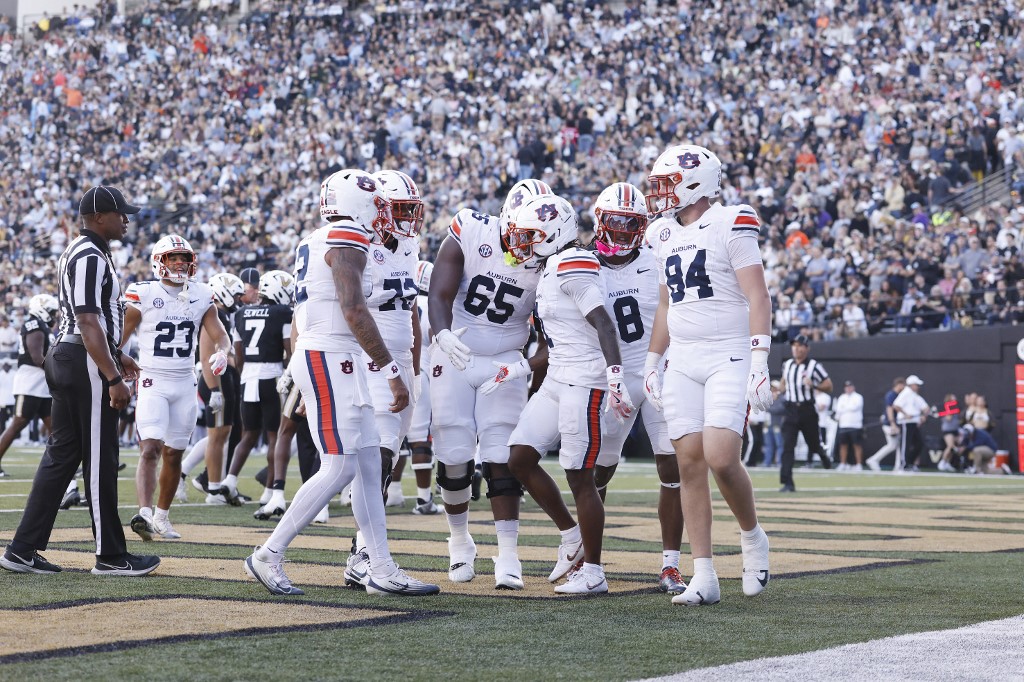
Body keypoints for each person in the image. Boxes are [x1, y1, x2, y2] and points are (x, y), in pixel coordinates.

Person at [244, 168, 438, 597]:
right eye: (377, 204)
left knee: (370, 466)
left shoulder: (321, 237)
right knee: (341, 464)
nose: (384, 213)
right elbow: (353, 309)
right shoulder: (346, 235)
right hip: (331, 354)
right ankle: (268, 554)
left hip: (336, 355)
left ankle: (381, 567)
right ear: (356, 204)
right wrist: (390, 369)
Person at [1, 185, 159, 576]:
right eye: (121, 213)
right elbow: (87, 320)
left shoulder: (83, 250)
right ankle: (110, 555)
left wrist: (116, 353)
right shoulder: (90, 254)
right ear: (99, 217)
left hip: (73, 354)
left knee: (61, 456)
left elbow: (85, 319)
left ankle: (21, 549)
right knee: (101, 457)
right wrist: (111, 376)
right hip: (82, 359)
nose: (126, 220)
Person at [644, 144, 772, 606]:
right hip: (684, 356)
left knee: (720, 455)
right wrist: (651, 362)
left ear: (695, 182)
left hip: (728, 352)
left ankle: (752, 536)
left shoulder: (730, 221)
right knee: (689, 462)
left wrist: (760, 360)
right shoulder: (661, 234)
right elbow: (665, 304)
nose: (659, 194)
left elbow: (758, 296)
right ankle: (704, 574)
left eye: (666, 183)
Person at [500, 193, 632, 595]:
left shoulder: (574, 262)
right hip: (558, 376)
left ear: (552, 233)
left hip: (585, 381)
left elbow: (604, 325)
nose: (522, 243)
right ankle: (572, 537)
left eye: (530, 235)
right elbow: (557, 343)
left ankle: (593, 570)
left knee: (580, 477)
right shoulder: (554, 263)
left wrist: (614, 378)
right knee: (519, 457)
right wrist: (519, 368)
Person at [427, 179, 549, 589]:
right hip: (456, 349)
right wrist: (441, 333)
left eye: (537, 234)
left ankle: (508, 553)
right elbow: (440, 292)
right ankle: (459, 541)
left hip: (506, 358)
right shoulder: (471, 229)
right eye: (522, 231)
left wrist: (529, 372)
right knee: (454, 449)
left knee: (501, 450)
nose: (528, 243)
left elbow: (552, 330)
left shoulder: (548, 257)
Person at [582, 182, 686, 594]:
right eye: (617, 222)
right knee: (599, 468)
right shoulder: (582, 262)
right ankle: (588, 559)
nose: (624, 231)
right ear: (600, 221)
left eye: (632, 224)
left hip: (659, 367)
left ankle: (671, 565)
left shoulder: (658, 254)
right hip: (613, 375)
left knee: (672, 467)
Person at [120, 235, 230, 541]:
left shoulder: (201, 294)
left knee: (174, 454)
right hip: (152, 378)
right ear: (160, 261)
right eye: (173, 257)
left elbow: (219, 335)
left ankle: (162, 517)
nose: (180, 263)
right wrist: (117, 363)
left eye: (184, 257)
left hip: (184, 380)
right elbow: (121, 336)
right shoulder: (143, 293)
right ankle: (143, 513)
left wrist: (222, 352)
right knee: (151, 447)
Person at [223, 270, 294, 501]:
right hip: (272, 377)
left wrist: (246, 374)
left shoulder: (241, 313)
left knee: (248, 434)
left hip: (248, 378)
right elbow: (288, 349)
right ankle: (270, 491)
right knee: (275, 436)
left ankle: (230, 480)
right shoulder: (282, 312)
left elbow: (239, 353)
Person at [178, 272, 246, 505]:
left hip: (219, 378)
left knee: (222, 434)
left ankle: (190, 474)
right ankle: (214, 489)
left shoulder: (223, 314)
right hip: (214, 379)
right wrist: (215, 390)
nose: (238, 300)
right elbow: (208, 355)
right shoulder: (214, 313)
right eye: (235, 295)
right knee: (217, 435)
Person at [0, 294, 60, 476]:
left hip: (42, 385)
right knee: (18, 423)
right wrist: (57, 373)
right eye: (51, 311)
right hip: (30, 383)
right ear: (42, 309)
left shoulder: (42, 327)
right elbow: (36, 357)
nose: (53, 315)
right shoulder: (35, 324)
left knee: (56, 429)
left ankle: (63, 466)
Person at [404, 259, 440, 515]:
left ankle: (391, 492)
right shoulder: (432, 304)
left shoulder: (400, 302)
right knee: (420, 439)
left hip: (395, 370)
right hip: (423, 371)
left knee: (392, 439)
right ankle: (423, 499)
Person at [778, 334, 833, 491]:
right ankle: (787, 482)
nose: (796, 348)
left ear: (807, 348)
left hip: (807, 410)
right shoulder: (787, 364)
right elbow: (784, 383)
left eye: (799, 345)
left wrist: (814, 385)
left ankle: (822, 452)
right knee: (788, 446)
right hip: (790, 409)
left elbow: (829, 386)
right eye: (794, 345)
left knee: (813, 445)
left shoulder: (814, 366)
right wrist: (776, 391)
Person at [866, 377, 905, 471]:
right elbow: (889, 409)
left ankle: (898, 465)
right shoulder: (892, 394)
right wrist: (892, 424)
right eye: (903, 385)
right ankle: (873, 460)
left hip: (892, 423)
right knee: (893, 445)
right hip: (890, 424)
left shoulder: (897, 395)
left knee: (896, 445)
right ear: (899, 384)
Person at [893, 374, 929, 471]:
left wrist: (923, 416)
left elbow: (925, 407)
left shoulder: (915, 395)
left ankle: (910, 463)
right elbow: (896, 405)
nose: (918, 386)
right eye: (916, 384)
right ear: (912, 385)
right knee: (906, 444)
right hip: (906, 422)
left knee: (919, 443)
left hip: (914, 423)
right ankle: (904, 464)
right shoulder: (905, 393)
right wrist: (905, 414)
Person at [833, 380, 865, 470]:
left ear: (853, 387)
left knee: (857, 445)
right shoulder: (842, 397)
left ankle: (858, 464)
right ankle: (843, 463)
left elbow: (854, 407)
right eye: (846, 387)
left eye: (850, 386)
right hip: (843, 425)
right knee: (843, 445)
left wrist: (844, 408)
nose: (848, 388)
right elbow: (838, 409)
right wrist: (843, 410)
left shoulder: (858, 397)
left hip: (855, 425)